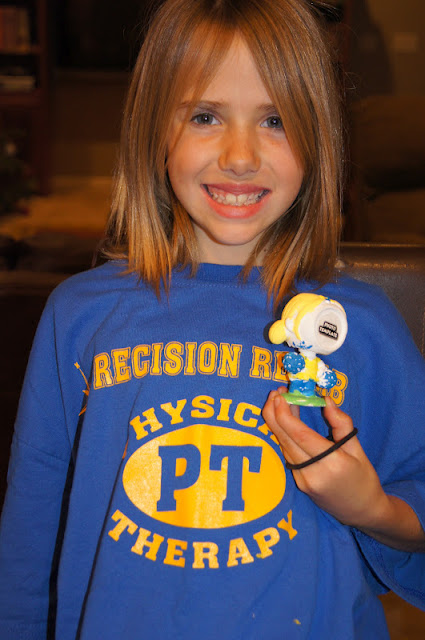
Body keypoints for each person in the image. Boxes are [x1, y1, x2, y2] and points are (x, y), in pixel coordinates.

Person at [0, 0, 424, 638]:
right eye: (205, 116)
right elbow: (30, 538)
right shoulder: (79, 316)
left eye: (275, 121)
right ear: (155, 132)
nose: (240, 156)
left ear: (318, 139)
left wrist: (374, 509)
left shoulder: (362, 326)